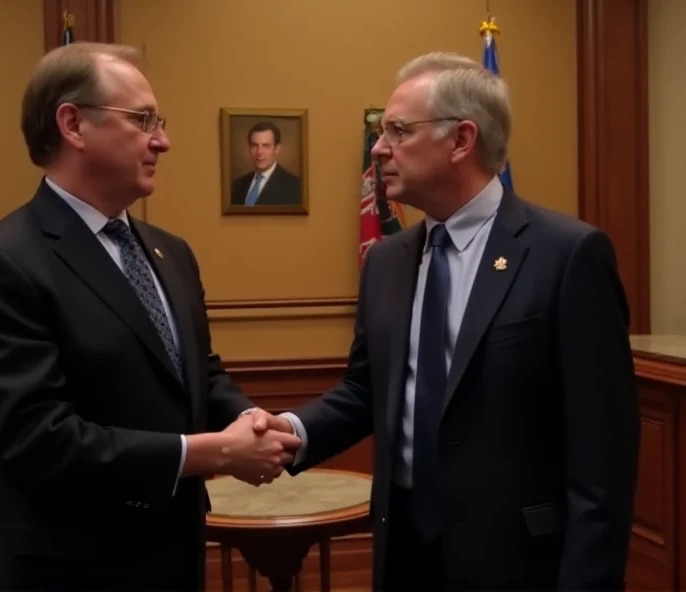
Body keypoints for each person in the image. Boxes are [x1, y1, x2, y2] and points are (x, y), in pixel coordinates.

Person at [256, 52, 640, 591]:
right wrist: (289, 432)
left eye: (397, 130)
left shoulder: (568, 256)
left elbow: (604, 459)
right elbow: (368, 390)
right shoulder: (388, 261)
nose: (378, 149)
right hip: (406, 550)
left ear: (461, 140)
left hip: (520, 563)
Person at [0, 42, 299, 592]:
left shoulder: (170, 252)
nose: (164, 140)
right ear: (73, 125)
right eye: (142, 120)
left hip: (172, 558)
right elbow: (34, 440)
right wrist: (212, 452)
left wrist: (250, 420)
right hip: (65, 570)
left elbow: (197, 375)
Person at [231, 121, 301, 206]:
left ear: (277, 149)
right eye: (254, 146)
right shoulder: (237, 185)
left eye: (266, 146)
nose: (259, 152)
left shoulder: (295, 186)